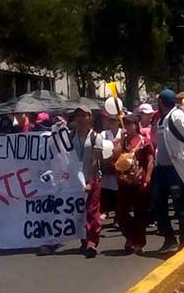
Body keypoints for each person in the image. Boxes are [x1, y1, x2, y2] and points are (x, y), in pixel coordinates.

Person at [153, 89, 184, 252]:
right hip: (161, 169)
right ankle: (169, 238)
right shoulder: (160, 120)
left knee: (180, 205)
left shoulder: (176, 115)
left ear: (161, 102)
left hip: (175, 169)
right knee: (158, 204)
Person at [111, 114, 154, 254]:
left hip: (138, 181)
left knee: (140, 213)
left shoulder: (144, 141)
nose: (128, 127)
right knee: (121, 213)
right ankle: (130, 236)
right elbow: (115, 156)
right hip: (124, 182)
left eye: (130, 124)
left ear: (136, 125)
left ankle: (139, 242)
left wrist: (147, 178)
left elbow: (150, 160)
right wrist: (121, 140)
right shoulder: (122, 142)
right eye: (126, 124)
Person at [70, 105, 104, 258]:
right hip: (75, 180)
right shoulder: (71, 136)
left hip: (91, 178)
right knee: (78, 211)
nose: (81, 119)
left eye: (84, 115)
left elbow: (95, 161)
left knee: (92, 211)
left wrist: (90, 180)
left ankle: (92, 242)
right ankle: (84, 239)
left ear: (90, 118)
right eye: (78, 115)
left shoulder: (95, 137)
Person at [100, 114, 122, 225]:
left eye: (115, 121)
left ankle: (118, 216)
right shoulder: (104, 134)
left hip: (119, 163)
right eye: (111, 121)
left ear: (118, 122)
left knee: (119, 192)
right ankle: (106, 210)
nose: (112, 123)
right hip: (107, 164)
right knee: (107, 190)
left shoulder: (122, 133)